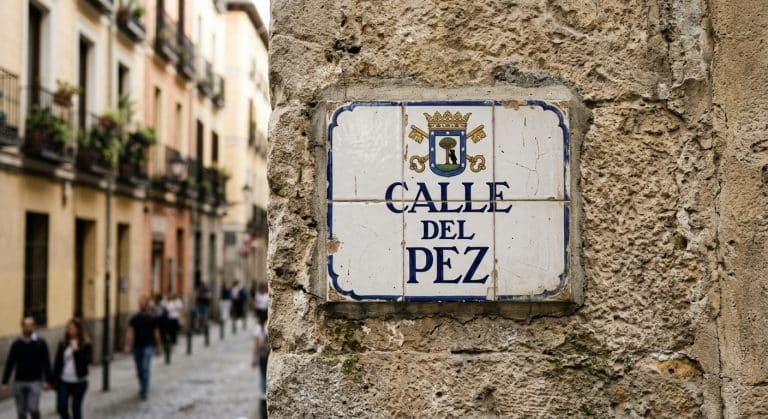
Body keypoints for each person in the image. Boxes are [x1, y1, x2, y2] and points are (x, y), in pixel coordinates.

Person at [1, 316, 52, 419]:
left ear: (34, 327)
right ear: (22, 326)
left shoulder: (40, 343)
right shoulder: (16, 344)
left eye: (30, 325)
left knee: (33, 408)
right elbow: (10, 362)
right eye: (26, 325)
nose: (28, 327)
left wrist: (48, 380)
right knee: (21, 412)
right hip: (19, 381)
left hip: (35, 381)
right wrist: (4, 382)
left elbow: (46, 362)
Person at [52, 319, 92, 419]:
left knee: (75, 408)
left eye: (72, 328)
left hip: (79, 382)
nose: (69, 330)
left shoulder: (86, 344)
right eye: (68, 328)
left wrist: (76, 351)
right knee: (62, 408)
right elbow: (57, 363)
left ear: (78, 330)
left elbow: (87, 361)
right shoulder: (63, 343)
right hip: (64, 381)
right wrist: (51, 380)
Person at [124, 297, 161, 400]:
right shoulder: (134, 318)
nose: (142, 305)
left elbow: (156, 333)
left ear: (147, 305)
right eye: (140, 303)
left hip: (148, 346)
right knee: (139, 369)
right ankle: (142, 386)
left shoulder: (152, 318)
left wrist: (158, 346)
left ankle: (144, 389)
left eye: (144, 303)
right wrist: (127, 345)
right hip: (137, 347)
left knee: (145, 368)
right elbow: (130, 332)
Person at [251, 313, 269, 400]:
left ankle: (263, 393)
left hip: (262, 354)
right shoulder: (269, 326)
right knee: (268, 373)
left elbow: (256, 345)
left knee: (262, 374)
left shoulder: (258, 328)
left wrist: (254, 358)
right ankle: (268, 391)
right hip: (269, 354)